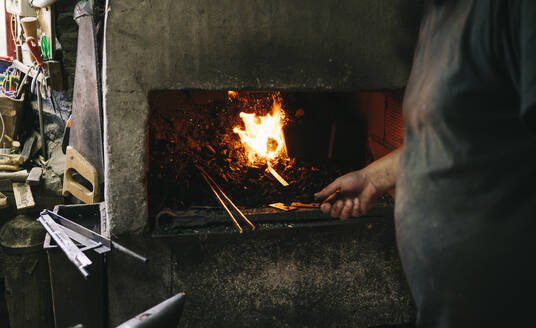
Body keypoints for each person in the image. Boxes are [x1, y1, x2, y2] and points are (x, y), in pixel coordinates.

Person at [315, 1, 536, 327]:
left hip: (503, 301)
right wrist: (372, 178)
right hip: (450, 305)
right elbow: (453, 137)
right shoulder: (437, 14)